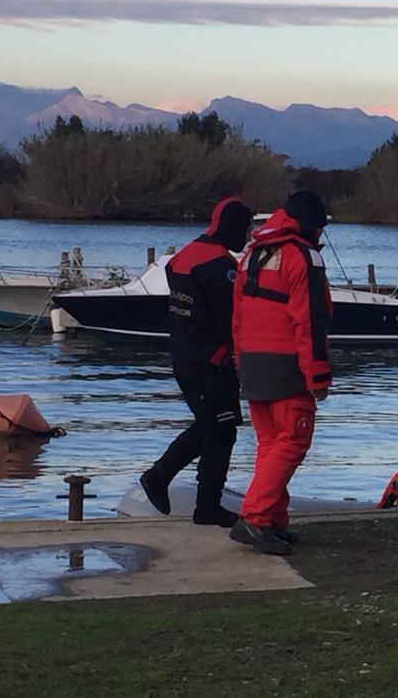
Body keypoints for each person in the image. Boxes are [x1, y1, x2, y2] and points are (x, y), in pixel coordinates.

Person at [229, 191, 333, 555]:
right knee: (293, 440)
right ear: (312, 226)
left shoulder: (251, 254)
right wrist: (318, 376)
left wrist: (241, 361)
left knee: (270, 444)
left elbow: (238, 316)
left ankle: (273, 520)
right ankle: (257, 517)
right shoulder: (304, 257)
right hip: (287, 364)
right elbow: (309, 321)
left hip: (253, 363)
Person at [139, 196, 253, 528]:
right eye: (246, 229)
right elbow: (229, 322)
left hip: (183, 358)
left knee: (218, 428)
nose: (248, 236)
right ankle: (161, 476)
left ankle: (206, 507)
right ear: (233, 226)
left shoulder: (182, 258)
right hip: (211, 363)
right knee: (217, 427)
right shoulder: (222, 267)